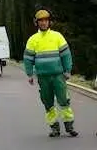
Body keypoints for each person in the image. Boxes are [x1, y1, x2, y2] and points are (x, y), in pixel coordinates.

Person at [24, 8, 77, 137]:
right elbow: (28, 58)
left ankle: (69, 126)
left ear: (49, 22)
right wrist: (30, 74)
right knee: (47, 102)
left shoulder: (57, 36)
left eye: (46, 20)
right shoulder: (33, 40)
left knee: (63, 100)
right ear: (36, 23)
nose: (43, 23)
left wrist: (67, 70)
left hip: (58, 75)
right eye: (40, 21)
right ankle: (54, 127)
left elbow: (66, 55)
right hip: (43, 77)